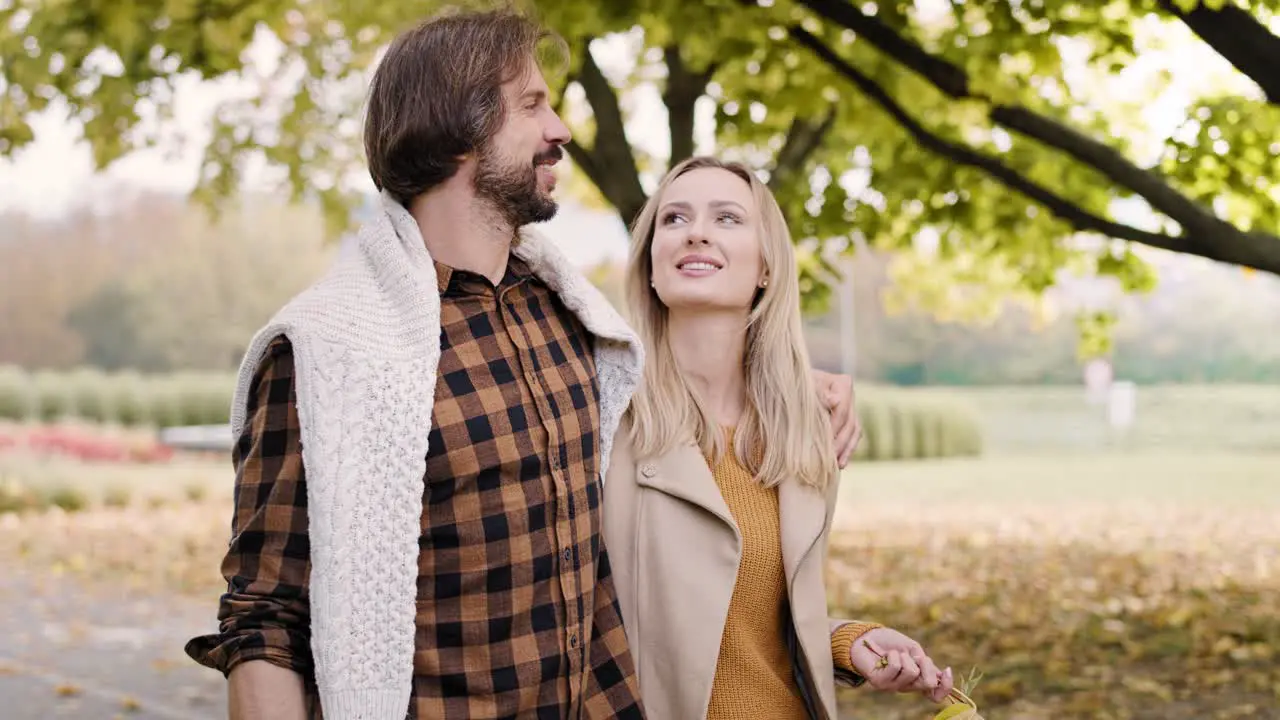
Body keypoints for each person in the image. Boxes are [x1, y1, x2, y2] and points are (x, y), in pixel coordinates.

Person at [183, 10, 861, 720]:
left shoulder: (574, 323)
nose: (561, 129)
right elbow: (265, 619)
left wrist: (793, 389)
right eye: (533, 105)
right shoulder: (328, 355)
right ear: (459, 132)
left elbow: (687, 404)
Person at [602, 156, 955, 720]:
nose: (696, 232)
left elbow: (752, 626)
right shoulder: (603, 418)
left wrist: (847, 643)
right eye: (674, 219)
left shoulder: (803, 434)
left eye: (727, 218)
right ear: (649, 264)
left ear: (766, 266)